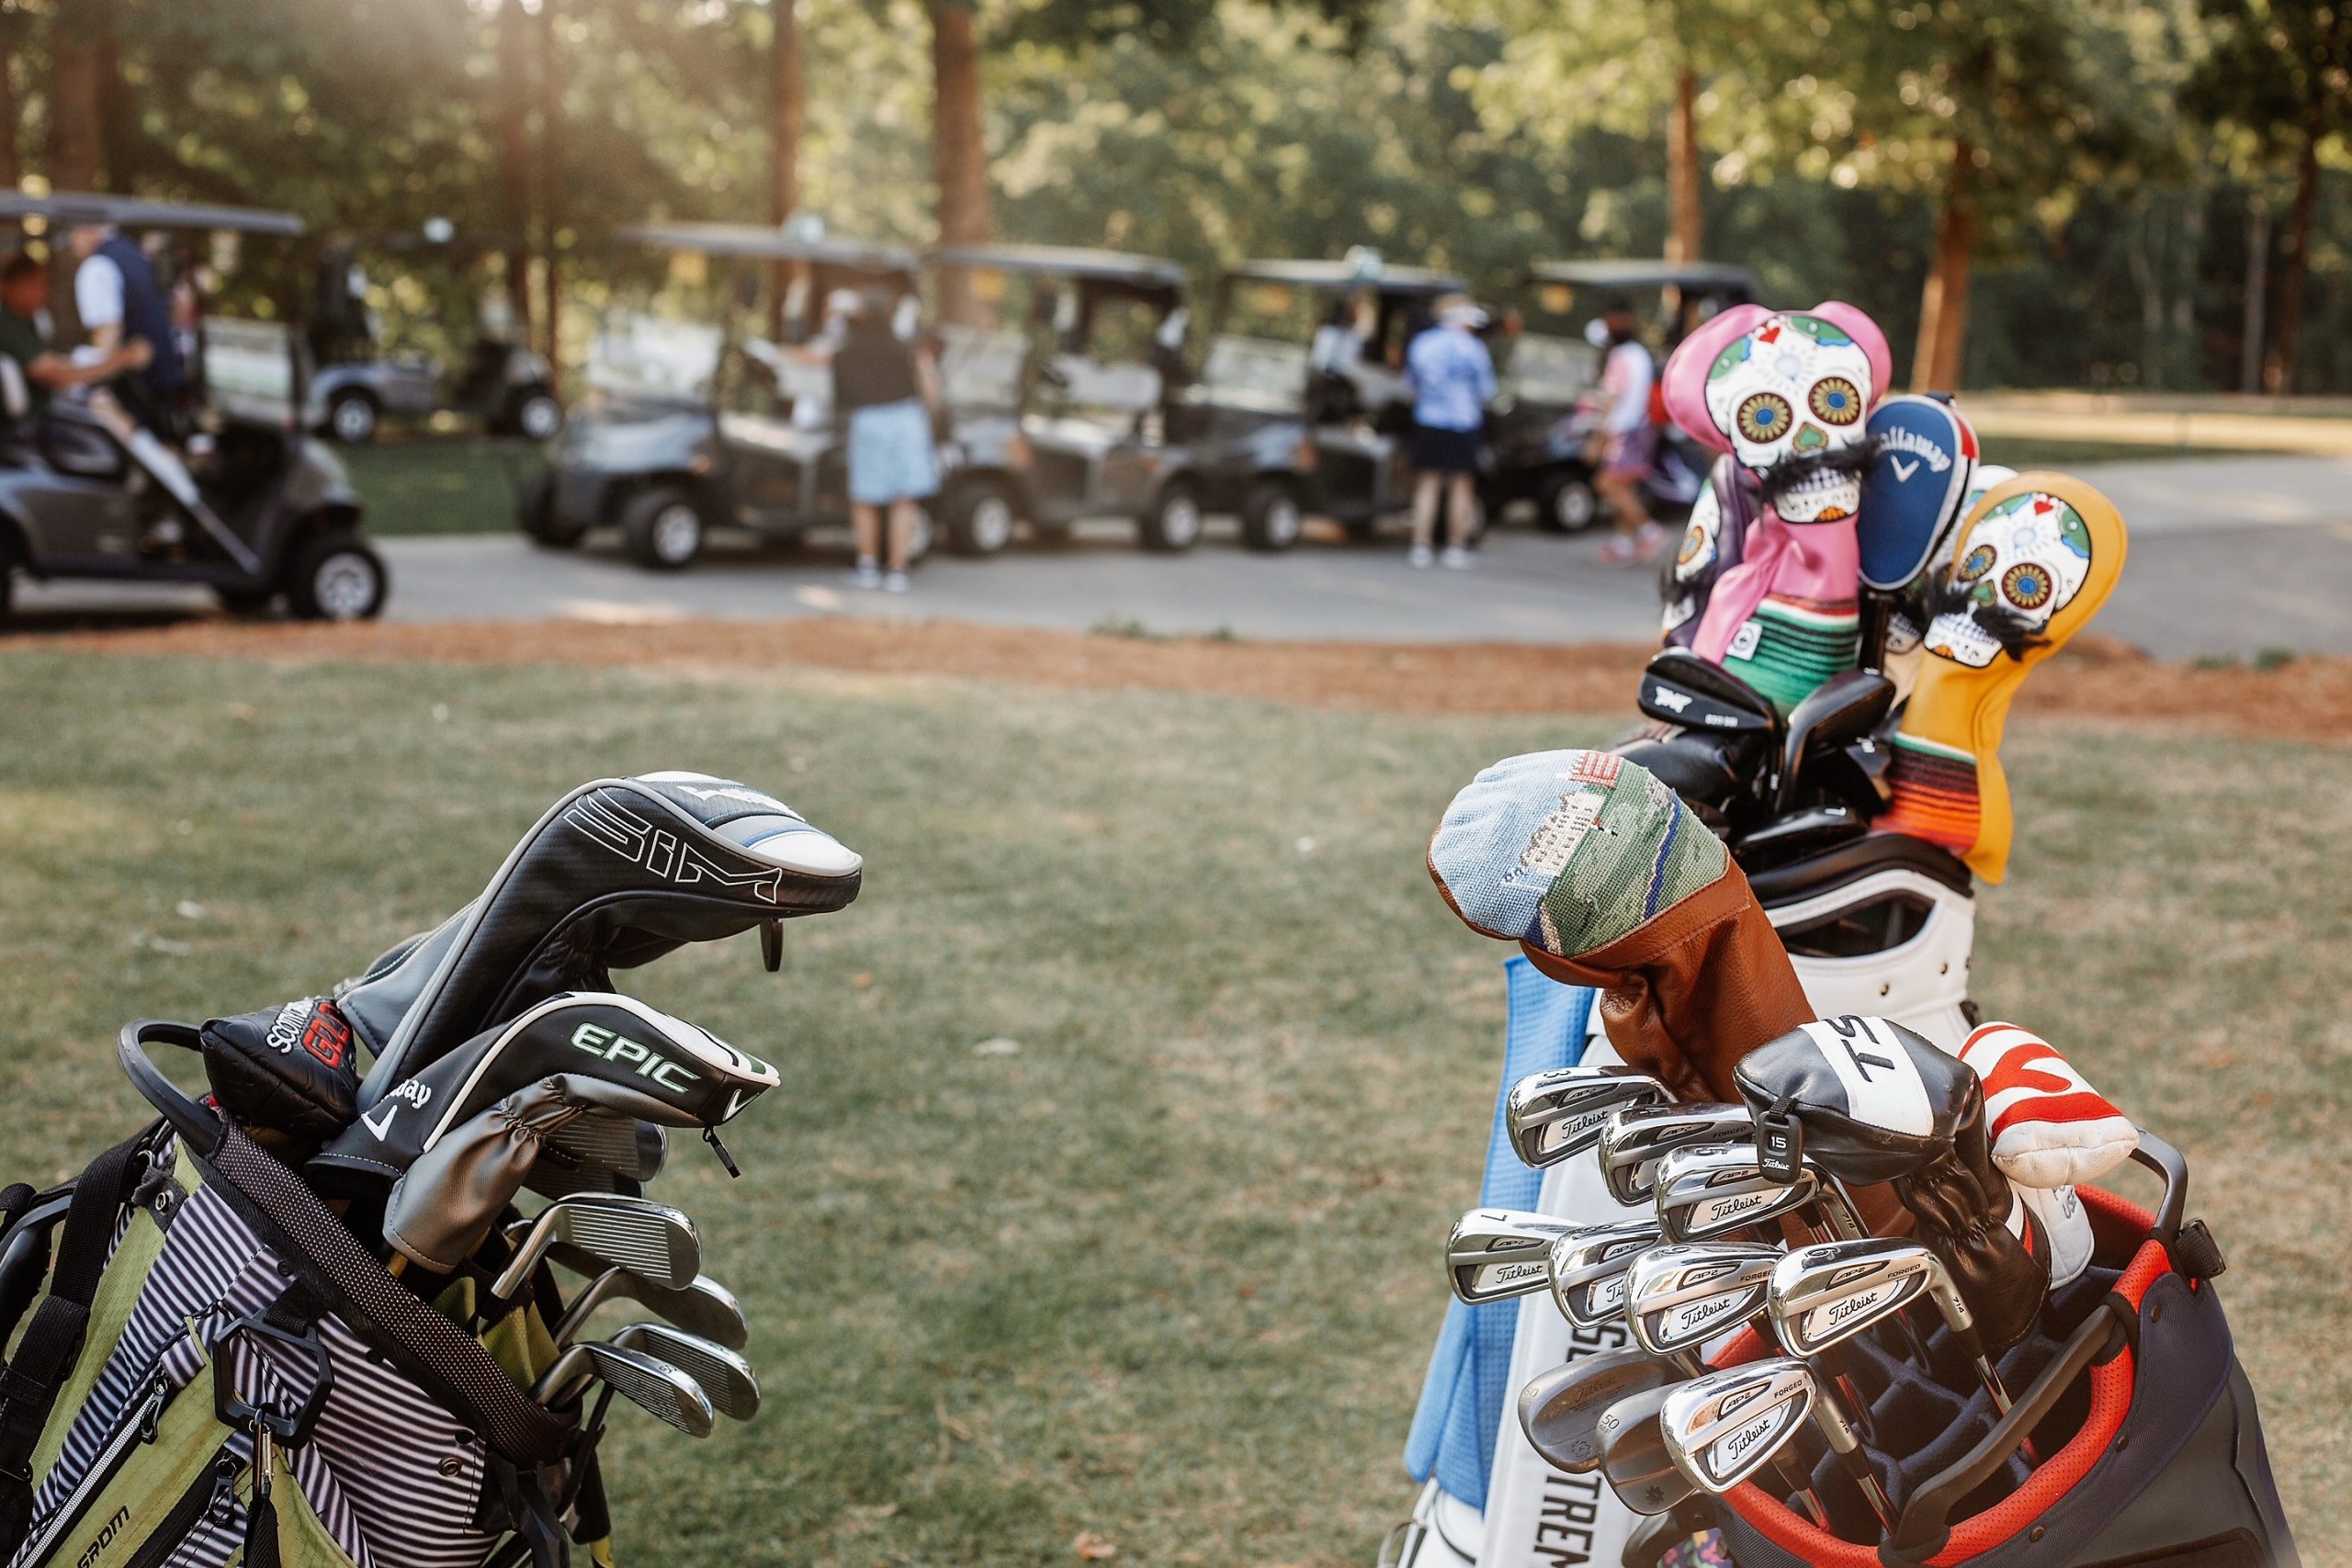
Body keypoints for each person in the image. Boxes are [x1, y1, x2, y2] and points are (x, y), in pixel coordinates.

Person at [831, 288, 941, 593]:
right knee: (903, 499)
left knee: (865, 498)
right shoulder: (906, 346)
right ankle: (897, 570)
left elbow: (840, 396)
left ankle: (867, 565)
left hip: (869, 420)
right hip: (907, 418)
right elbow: (929, 385)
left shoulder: (846, 350)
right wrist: (932, 419)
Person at [68, 222, 186, 438]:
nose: (70, 245)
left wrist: (96, 383)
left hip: (134, 390)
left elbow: (108, 331)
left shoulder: (97, 266)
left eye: (71, 236)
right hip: (162, 379)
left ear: (86, 231)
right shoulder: (135, 254)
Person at [1403, 293, 1494, 569]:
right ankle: (1456, 546)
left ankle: (1421, 546)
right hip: (1463, 424)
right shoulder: (1473, 349)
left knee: (1427, 485)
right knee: (1461, 487)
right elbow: (1487, 391)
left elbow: (1410, 384)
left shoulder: (1423, 344)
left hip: (1428, 420)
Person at [0, 252, 150, 415]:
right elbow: (57, 376)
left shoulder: (26, 319)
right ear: (19, 285)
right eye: (39, 284)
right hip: (32, 424)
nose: (45, 293)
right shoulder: (8, 324)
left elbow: (52, 365)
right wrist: (122, 359)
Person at [1589, 299, 1668, 566]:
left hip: (1625, 430)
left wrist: (1598, 438)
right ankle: (1622, 541)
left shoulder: (1621, 357)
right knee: (1625, 487)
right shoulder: (1639, 354)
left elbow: (1611, 399)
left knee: (1607, 483)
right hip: (1642, 428)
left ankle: (1650, 530)